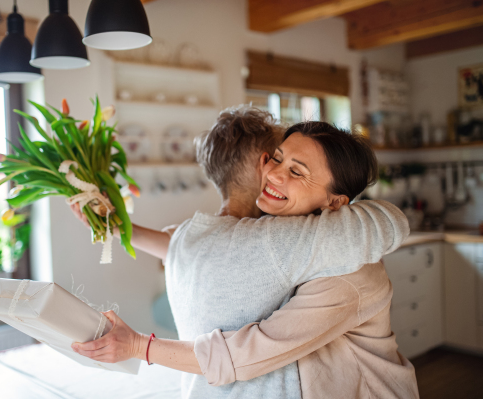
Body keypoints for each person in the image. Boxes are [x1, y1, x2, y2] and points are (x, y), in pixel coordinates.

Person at [69, 108, 417, 398]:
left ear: (336, 201)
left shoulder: (346, 270)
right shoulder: (265, 238)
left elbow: (248, 351)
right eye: (276, 159)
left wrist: (137, 346)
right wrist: (115, 226)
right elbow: (200, 246)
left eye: (296, 171)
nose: (274, 173)